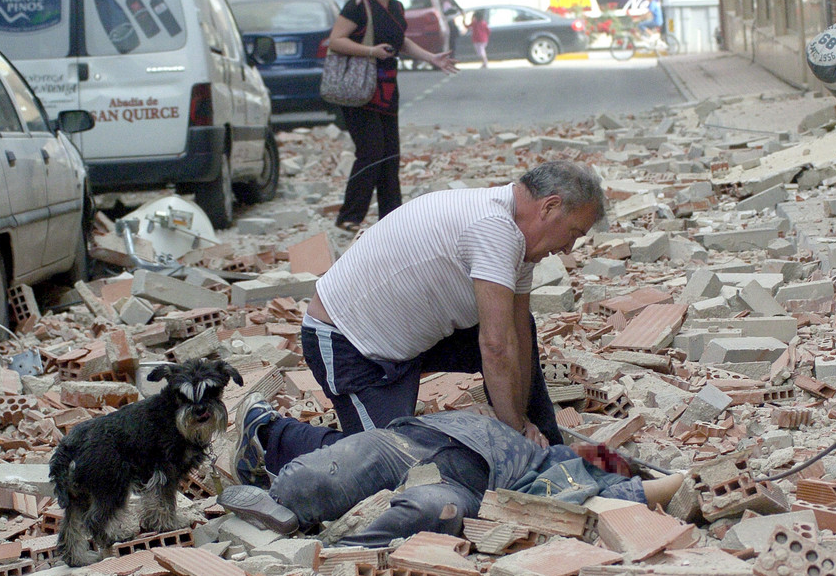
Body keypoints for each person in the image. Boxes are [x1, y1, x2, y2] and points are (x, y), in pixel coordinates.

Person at [233, 161, 606, 485]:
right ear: (550, 207)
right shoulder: (494, 228)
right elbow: (494, 348)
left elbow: (516, 334)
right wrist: (515, 431)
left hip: (406, 336)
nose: (569, 249)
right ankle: (269, 434)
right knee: (391, 466)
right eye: (573, 233)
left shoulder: (518, 235)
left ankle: (550, 454)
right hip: (350, 345)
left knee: (514, 324)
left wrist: (531, 427)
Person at [223, 405, 684, 547]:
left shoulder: (602, 488)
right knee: (314, 482)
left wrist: (688, 480)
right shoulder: (554, 449)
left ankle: (327, 548)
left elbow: (654, 489)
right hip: (427, 439)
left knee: (426, 511)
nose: (601, 457)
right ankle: (281, 501)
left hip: (473, 492)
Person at [329, 0, 457, 234]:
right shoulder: (358, 5)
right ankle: (349, 216)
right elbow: (336, 41)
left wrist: (431, 57)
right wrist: (370, 51)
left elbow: (400, 41)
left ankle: (392, 217)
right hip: (358, 88)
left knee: (390, 154)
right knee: (371, 151)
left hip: (385, 88)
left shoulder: (396, 7)